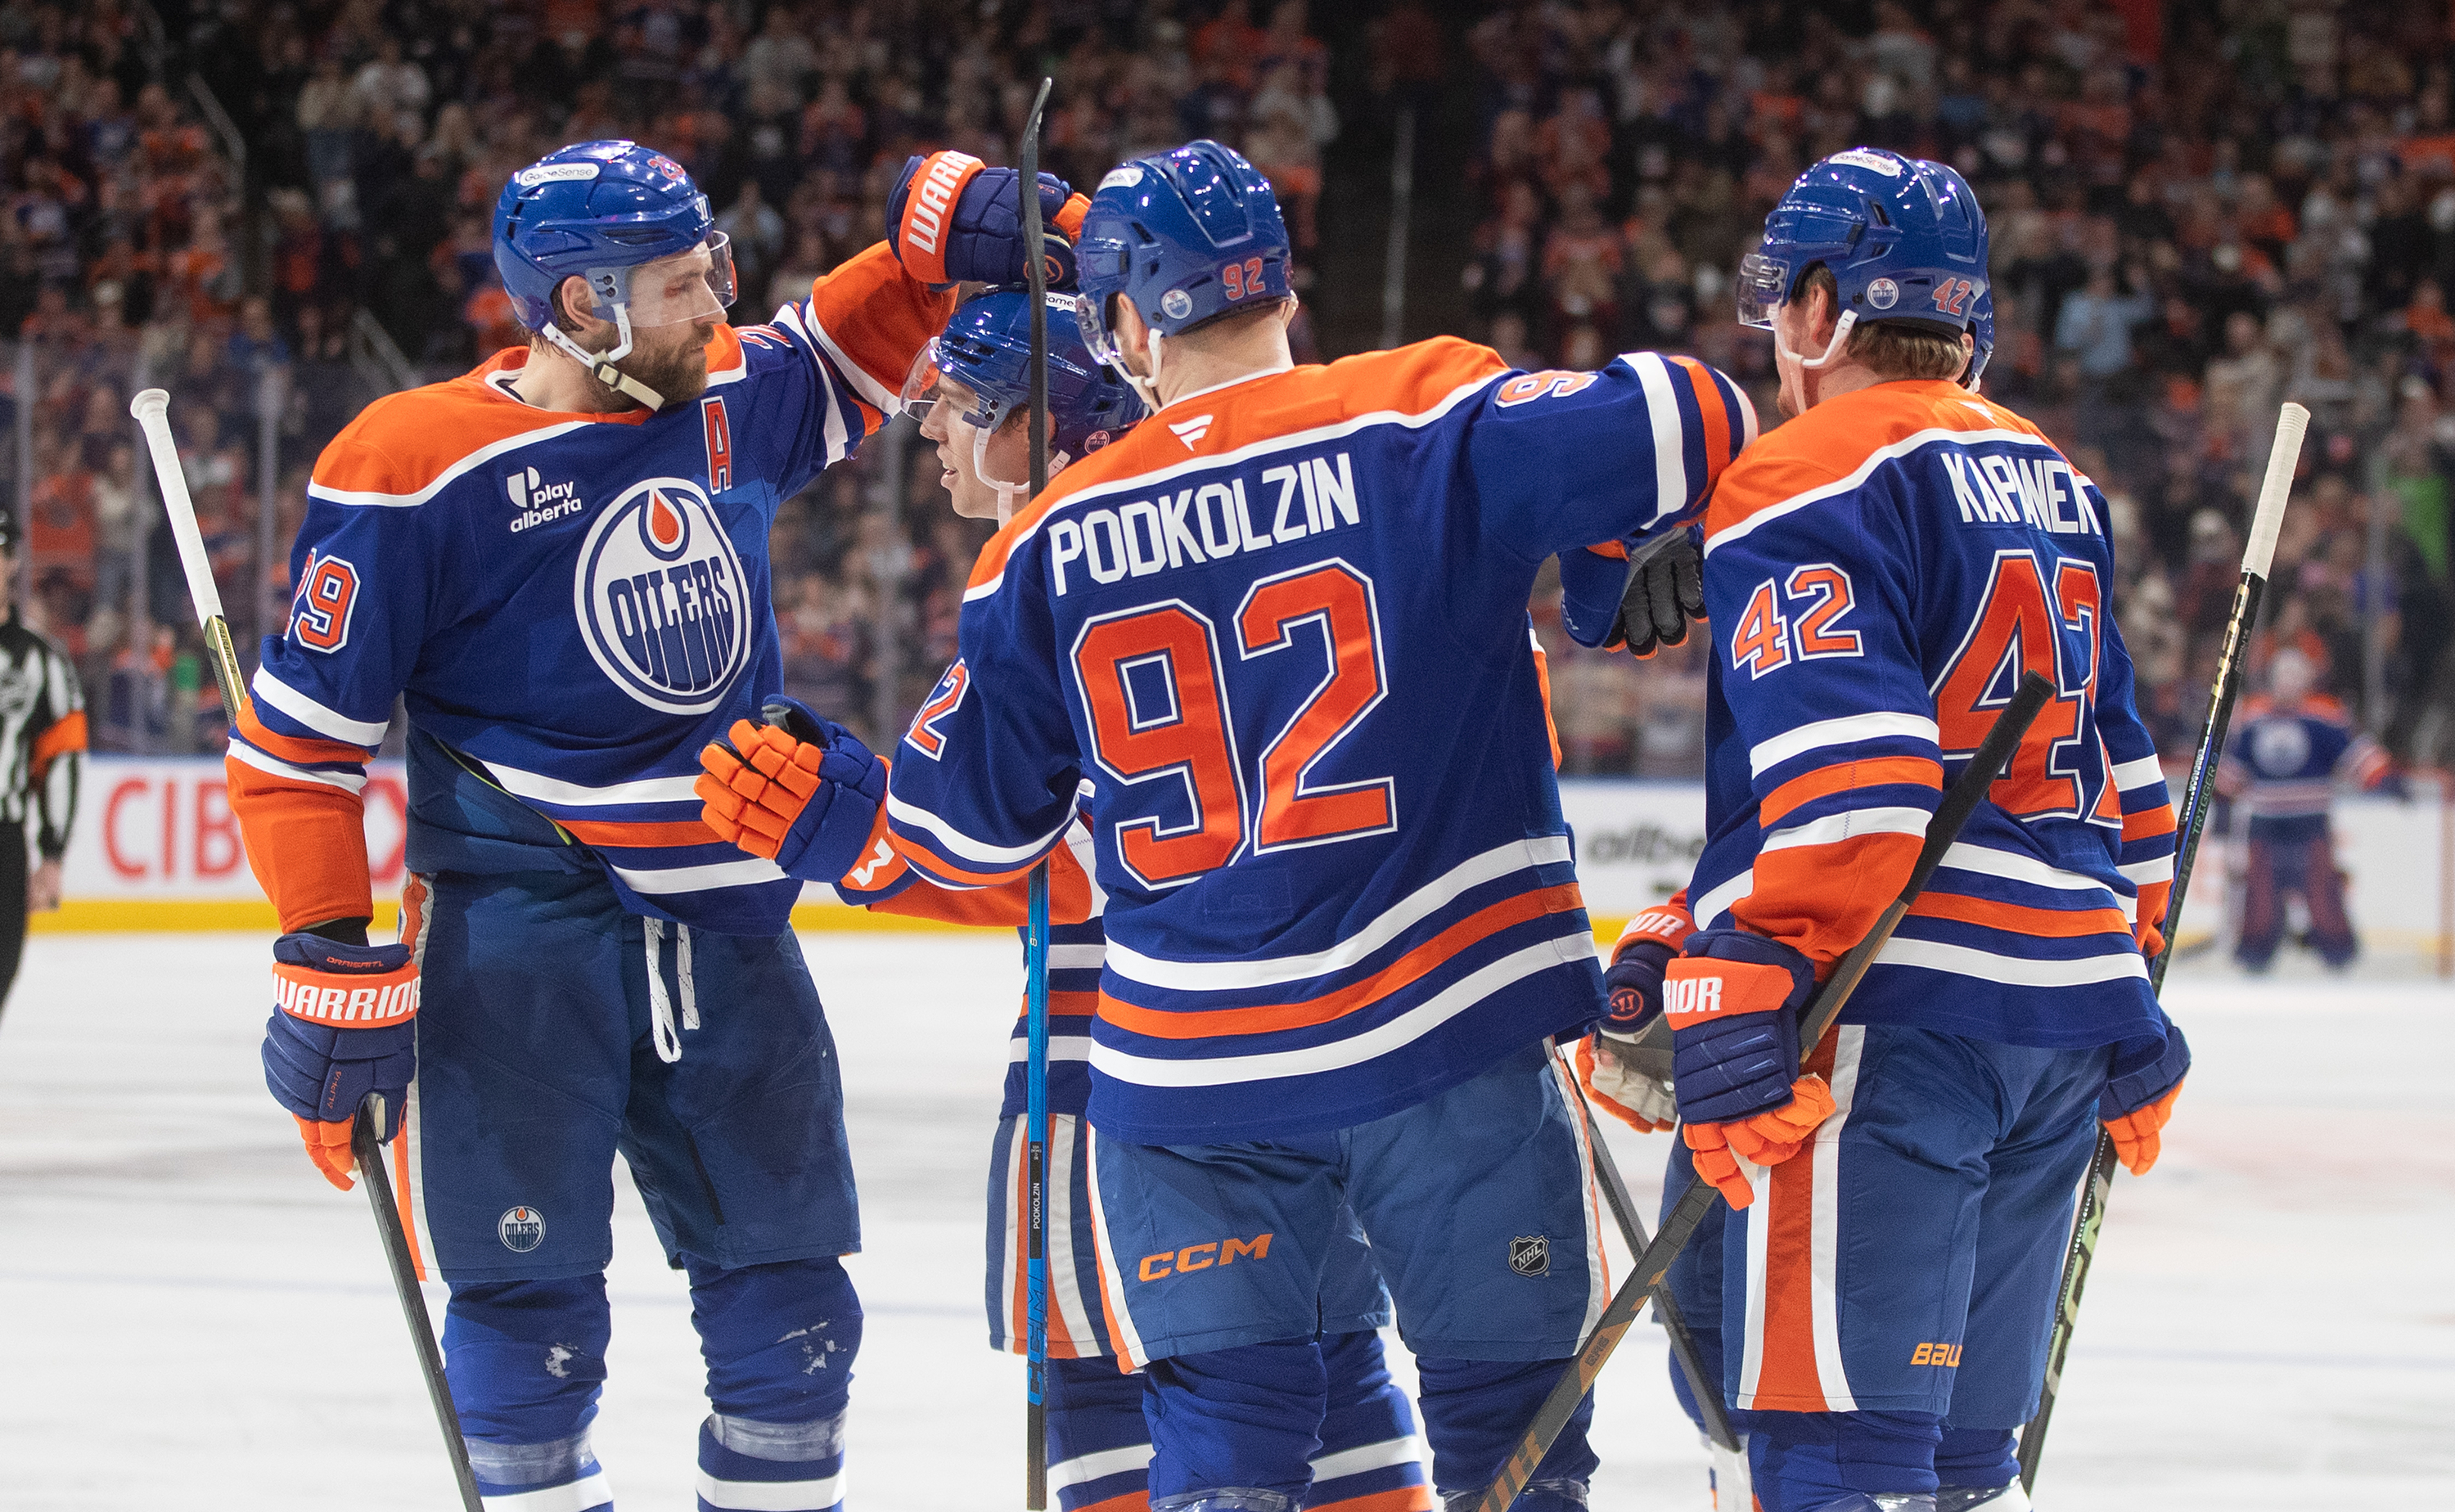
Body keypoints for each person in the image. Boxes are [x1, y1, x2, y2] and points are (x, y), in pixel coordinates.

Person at [725, 138, 1750, 1512]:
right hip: (1446, 1037)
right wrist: (1617, 548)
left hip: (1191, 1079)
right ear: (1277, 282)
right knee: (1513, 1450)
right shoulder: (1425, 411)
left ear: (1127, 324)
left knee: (1223, 1452)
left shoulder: (1042, 541)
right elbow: (1699, 414)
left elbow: (966, 837)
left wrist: (840, 811)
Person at [223, 137, 1076, 1512]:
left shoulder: (727, 389)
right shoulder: (412, 464)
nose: (715, 304)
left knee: (797, 1316)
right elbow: (297, 746)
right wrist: (327, 948)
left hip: (731, 915)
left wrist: (935, 248)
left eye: (713, 269)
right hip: (519, 936)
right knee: (531, 1312)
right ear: (578, 306)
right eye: (681, 283)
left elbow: (850, 341)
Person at [1596, 147, 2191, 1512]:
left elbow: (1858, 778)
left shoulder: (1802, 467)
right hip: (2060, 1030)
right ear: (1965, 317)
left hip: (1892, 1015)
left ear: (1817, 311)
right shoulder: (2059, 479)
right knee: (1959, 1467)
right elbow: (2127, 780)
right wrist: (2125, 981)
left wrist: (1750, 968)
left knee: (1836, 1458)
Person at [866, 286, 1435, 1512]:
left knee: (1124, 1384)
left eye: (964, 405)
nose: (934, 433)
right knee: (1331, 1358)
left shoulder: (1060, 574)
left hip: (1118, 1074)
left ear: (1051, 423)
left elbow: (1034, 859)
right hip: (1319, 1055)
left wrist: (844, 832)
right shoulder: (1255, 538)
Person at [2221, 646, 2398, 972]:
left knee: (2322, 891)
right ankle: (2255, 955)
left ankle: (2338, 953)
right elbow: (2231, 771)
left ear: (2306, 679)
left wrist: (2386, 779)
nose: (2287, 681)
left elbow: (2356, 754)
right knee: (2260, 894)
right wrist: (2219, 804)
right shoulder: (2253, 718)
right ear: (2271, 679)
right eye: (2282, 674)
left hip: (2311, 822)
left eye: (2294, 674)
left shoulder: (2323, 718)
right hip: (2265, 824)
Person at [0, 506, 83, 1025]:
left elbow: (62, 756)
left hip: (4, 839)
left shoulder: (40, 660)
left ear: (12, 562)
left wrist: (52, 853)